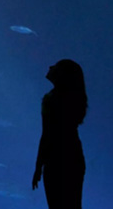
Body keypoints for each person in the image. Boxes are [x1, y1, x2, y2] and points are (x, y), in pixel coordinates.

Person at [32, 59, 88, 209]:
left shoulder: (51, 100)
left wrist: (38, 166)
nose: (50, 66)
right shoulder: (75, 98)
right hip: (74, 155)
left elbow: (47, 135)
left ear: (61, 74)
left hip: (55, 159)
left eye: (55, 66)